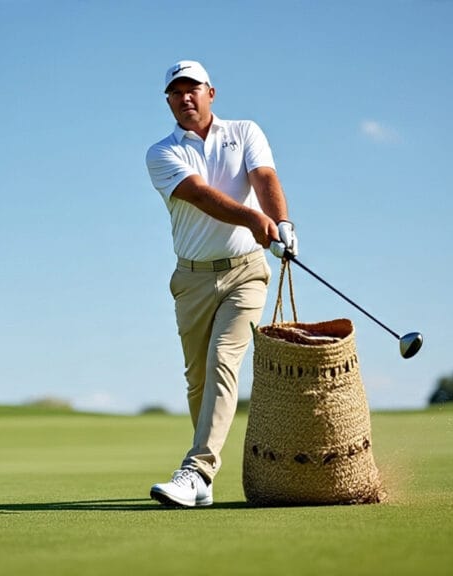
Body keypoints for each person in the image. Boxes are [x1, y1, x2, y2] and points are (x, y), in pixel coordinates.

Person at [144, 60, 298, 507]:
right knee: (198, 379)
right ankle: (204, 484)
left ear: (212, 92)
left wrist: (281, 221)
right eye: (176, 92)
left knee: (222, 362)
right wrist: (254, 217)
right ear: (168, 101)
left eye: (193, 88)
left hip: (246, 270)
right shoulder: (161, 152)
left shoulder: (245, 131)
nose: (185, 97)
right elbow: (199, 195)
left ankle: (196, 470)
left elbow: (263, 177)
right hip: (191, 278)